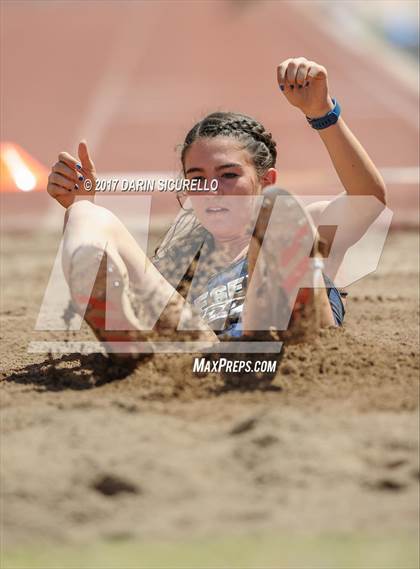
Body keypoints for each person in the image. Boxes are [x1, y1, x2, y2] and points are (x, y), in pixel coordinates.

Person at [46, 57, 386, 371]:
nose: (212, 189)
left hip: (284, 350)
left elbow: (367, 200)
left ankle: (266, 328)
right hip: (203, 354)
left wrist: (322, 112)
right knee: (87, 215)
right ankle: (121, 333)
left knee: (280, 212)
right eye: (197, 178)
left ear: (264, 179)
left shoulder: (301, 226)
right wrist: (80, 202)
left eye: (228, 175)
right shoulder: (180, 257)